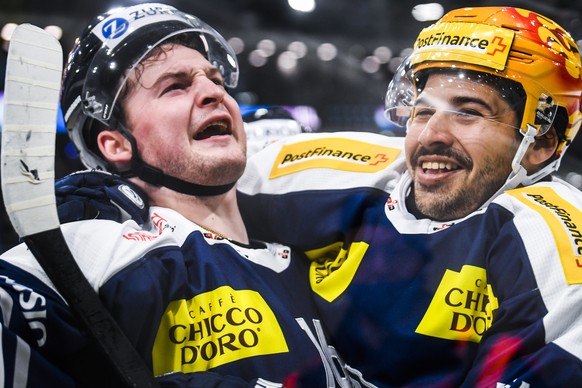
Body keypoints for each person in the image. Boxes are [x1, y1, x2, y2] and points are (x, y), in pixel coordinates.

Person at [0, 3, 370, 387]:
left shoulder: (312, 244)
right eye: (175, 86)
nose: (214, 93)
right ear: (115, 145)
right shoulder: (104, 252)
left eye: (216, 80)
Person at [236, 6, 582, 387]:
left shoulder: (551, 240)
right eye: (422, 111)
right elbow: (196, 179)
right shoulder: (346, 170)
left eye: (468, 113)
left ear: (542, 143)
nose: (431, 134)